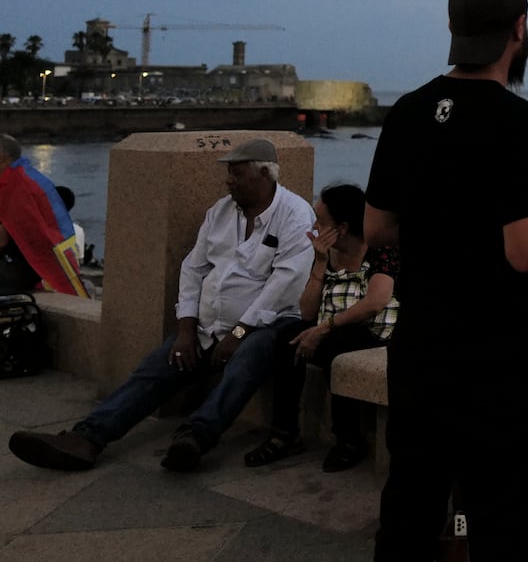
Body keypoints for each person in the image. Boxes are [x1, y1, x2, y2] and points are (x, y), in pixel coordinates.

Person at [364, 0, 528, 561]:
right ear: (519, 30)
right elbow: (527, 250)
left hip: (421, 349)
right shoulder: (517, 121)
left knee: (409, 508)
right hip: (500, 360)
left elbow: (377, 228)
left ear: (452, 30)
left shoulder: (406, 111)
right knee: (503, 521)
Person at [8, 138, 314, 471]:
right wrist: (186, 328)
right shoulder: (221, 210)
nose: (228, 180)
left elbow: (284, 284)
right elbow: (193, 267)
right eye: (228, 172)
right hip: (208, 326)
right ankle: (87, 438)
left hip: (268, 324)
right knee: (154, 369)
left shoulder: (295, 214)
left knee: (246, 361)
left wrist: (239, 332)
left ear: (265, 175)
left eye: (236, 173)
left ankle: (196, 437)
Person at [244, 182, 399, 473]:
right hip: (334, 329)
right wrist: (319, 264)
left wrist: (324, 328)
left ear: (340, 228)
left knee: (335, 345)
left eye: (320, 222)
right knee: (286, 337)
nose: (314, 227)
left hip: (377, 335)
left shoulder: (381, 250)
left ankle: (349, 439)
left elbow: (375, 302)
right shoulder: (328, 255)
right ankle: (283, 432)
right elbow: (306, 312)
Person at [0, 133, 87, 296]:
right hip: (39, 267)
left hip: (22, 268)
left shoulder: (13, 189)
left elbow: (2, 239)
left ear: (3, 159)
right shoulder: (29, 177)